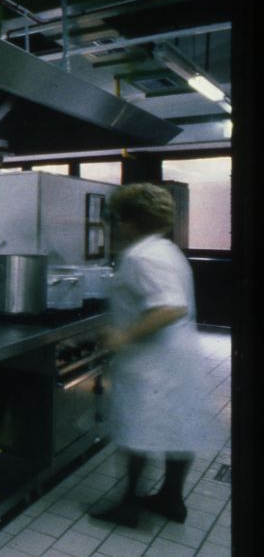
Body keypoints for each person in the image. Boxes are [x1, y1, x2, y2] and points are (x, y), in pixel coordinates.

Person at [90, 182, 221, 528]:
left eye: (116, 218)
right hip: (175, 359)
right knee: (177, 428)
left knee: (137, 431)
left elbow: (170, 308)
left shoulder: (141, 256)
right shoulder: (165, 250)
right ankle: (171, 499)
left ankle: (129, 506)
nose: (113, 225)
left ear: (132, 221)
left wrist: (121, 335)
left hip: (152, 363)